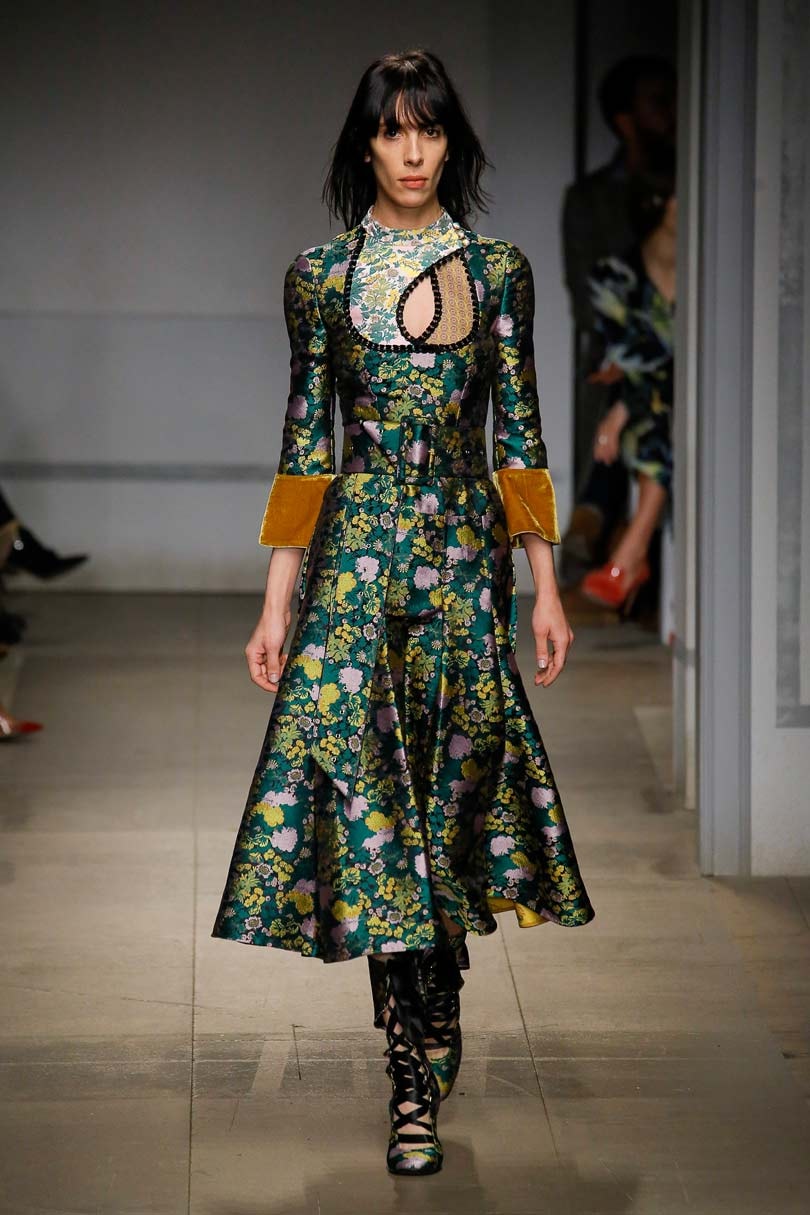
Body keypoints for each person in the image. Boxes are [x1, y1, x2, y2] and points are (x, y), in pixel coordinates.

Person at [211, 48, 595, 1176]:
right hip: (353, 570)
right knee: (371, 806)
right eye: (394, 130)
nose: (414, 151)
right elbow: (304, 444)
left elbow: (520, 434)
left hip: (465, 564)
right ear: (366, 144)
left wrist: (547, 586)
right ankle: (409, 1074)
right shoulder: (320, 278)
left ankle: (438, 985)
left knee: (452, 788)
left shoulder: (500, 272)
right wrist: (275, 603)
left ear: (451, 142)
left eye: (430, 129)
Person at [560, 55, 676, 586]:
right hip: (619, 338)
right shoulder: (590, 198)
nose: (673, 114)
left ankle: (598, 515)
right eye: (660, 103)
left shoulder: (689, 184)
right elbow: (586, 285)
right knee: (621, 375)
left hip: (668, 343)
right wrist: (619, 347)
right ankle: (611, 536)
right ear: (625, 119)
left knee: (641, 386)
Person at [580, 172, 676, 614]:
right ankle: (630, 554)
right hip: (650, 399)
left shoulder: (711, 272)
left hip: (681, 399)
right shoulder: (615, 276)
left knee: (656, 414)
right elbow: (636, 358)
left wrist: (620, 412)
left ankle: (629, 556)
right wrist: (624, 404)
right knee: (656, 416)